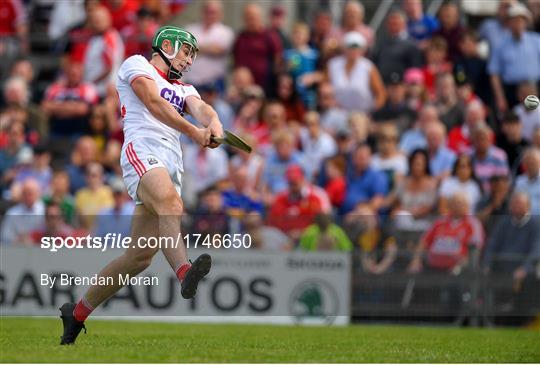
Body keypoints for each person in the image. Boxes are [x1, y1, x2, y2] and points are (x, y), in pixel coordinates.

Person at [59, 26, 224, 345]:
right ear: (166, 45)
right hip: (143, 149)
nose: (189, 60)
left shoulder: (185, 88)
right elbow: (152, 101)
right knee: (172, 205)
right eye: (186, 51)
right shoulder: (137, 64)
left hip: (169, 162)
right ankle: (184, 271)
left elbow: (202, 109)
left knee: (139, 257)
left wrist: (213, 123)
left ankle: (76, 314)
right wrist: (194, 132)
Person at [408, 192, 484, 273]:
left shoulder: (473, 224)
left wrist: (461, 265)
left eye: (461, 204)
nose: (457, 206)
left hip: (457, 266)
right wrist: (416, 260)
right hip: (432, 264)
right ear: (449, 206)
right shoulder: (440, 222)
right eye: (455, 203)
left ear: (467, 206)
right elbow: (423, 242)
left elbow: (476, 247)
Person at [489, 2, 540, 112]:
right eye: (514, 20)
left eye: (521, 20)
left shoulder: (536, 41)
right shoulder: (500, 45)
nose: (518, 24)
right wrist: (500, 97)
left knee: (535, 119)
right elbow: (494, 74)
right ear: (508, 23)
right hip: (512, 91)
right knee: (513, 123)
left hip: (533, 88)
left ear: (526, 22)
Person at [327, 31, 386, 113]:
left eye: (357, 48)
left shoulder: (368, 66)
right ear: (344, 48)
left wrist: (372, 112)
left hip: (362, 115)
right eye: (350, 47)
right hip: (338, 113)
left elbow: (380, 93)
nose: (353, 51)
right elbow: (325, 88)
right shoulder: (333, 64)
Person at [185, 0, 234, 90]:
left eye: (213, 12)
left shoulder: (225, 32)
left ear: (220, 13)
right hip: (191, 81)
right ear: (202, 12)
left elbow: (218, 51)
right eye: (208, 11)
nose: (210, 15)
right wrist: (209, 47)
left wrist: (195, 47)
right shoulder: (191, 29)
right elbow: (185, 50)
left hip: (214, 83)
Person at [233, 3, 282, 93]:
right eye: (247, 17)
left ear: (260, 17)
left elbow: (278, 60)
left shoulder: (270, 36)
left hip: (265, 87)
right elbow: (235, 59)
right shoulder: (240, 37)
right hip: (243, 89)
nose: (250, 20)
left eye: (253, 17)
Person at [370, 9, 422, 81]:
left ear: (404, 24)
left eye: (396, 23)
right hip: (383, 84)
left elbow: (415, 69)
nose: (393, 26)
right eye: (391, 23)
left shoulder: (412, 46)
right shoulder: (381, 44)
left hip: (402, 86)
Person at [0, 179, 45, 245]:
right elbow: (5, 237)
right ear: (21, 194)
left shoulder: (45, 211)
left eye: (30, 193)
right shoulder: (12, 213)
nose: (28, 196)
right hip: (17, 250)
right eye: (25, 193)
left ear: (38, 193)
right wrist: (19, 240)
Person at [514, 148, 540, 215]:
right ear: (524, 165)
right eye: (527, 162)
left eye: (533, 162)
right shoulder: (519, 181)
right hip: (523, 220)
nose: (530, 165)